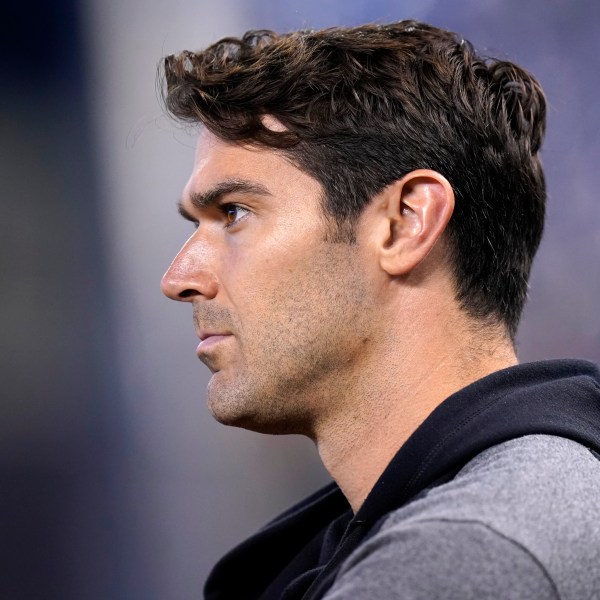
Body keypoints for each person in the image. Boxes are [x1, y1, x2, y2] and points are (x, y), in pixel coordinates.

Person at [159, 20, 600, 600]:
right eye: (197, 224)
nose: (178, 280)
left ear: (404, 224)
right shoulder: (536, 500)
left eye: (234, 213)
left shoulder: (462, 555)